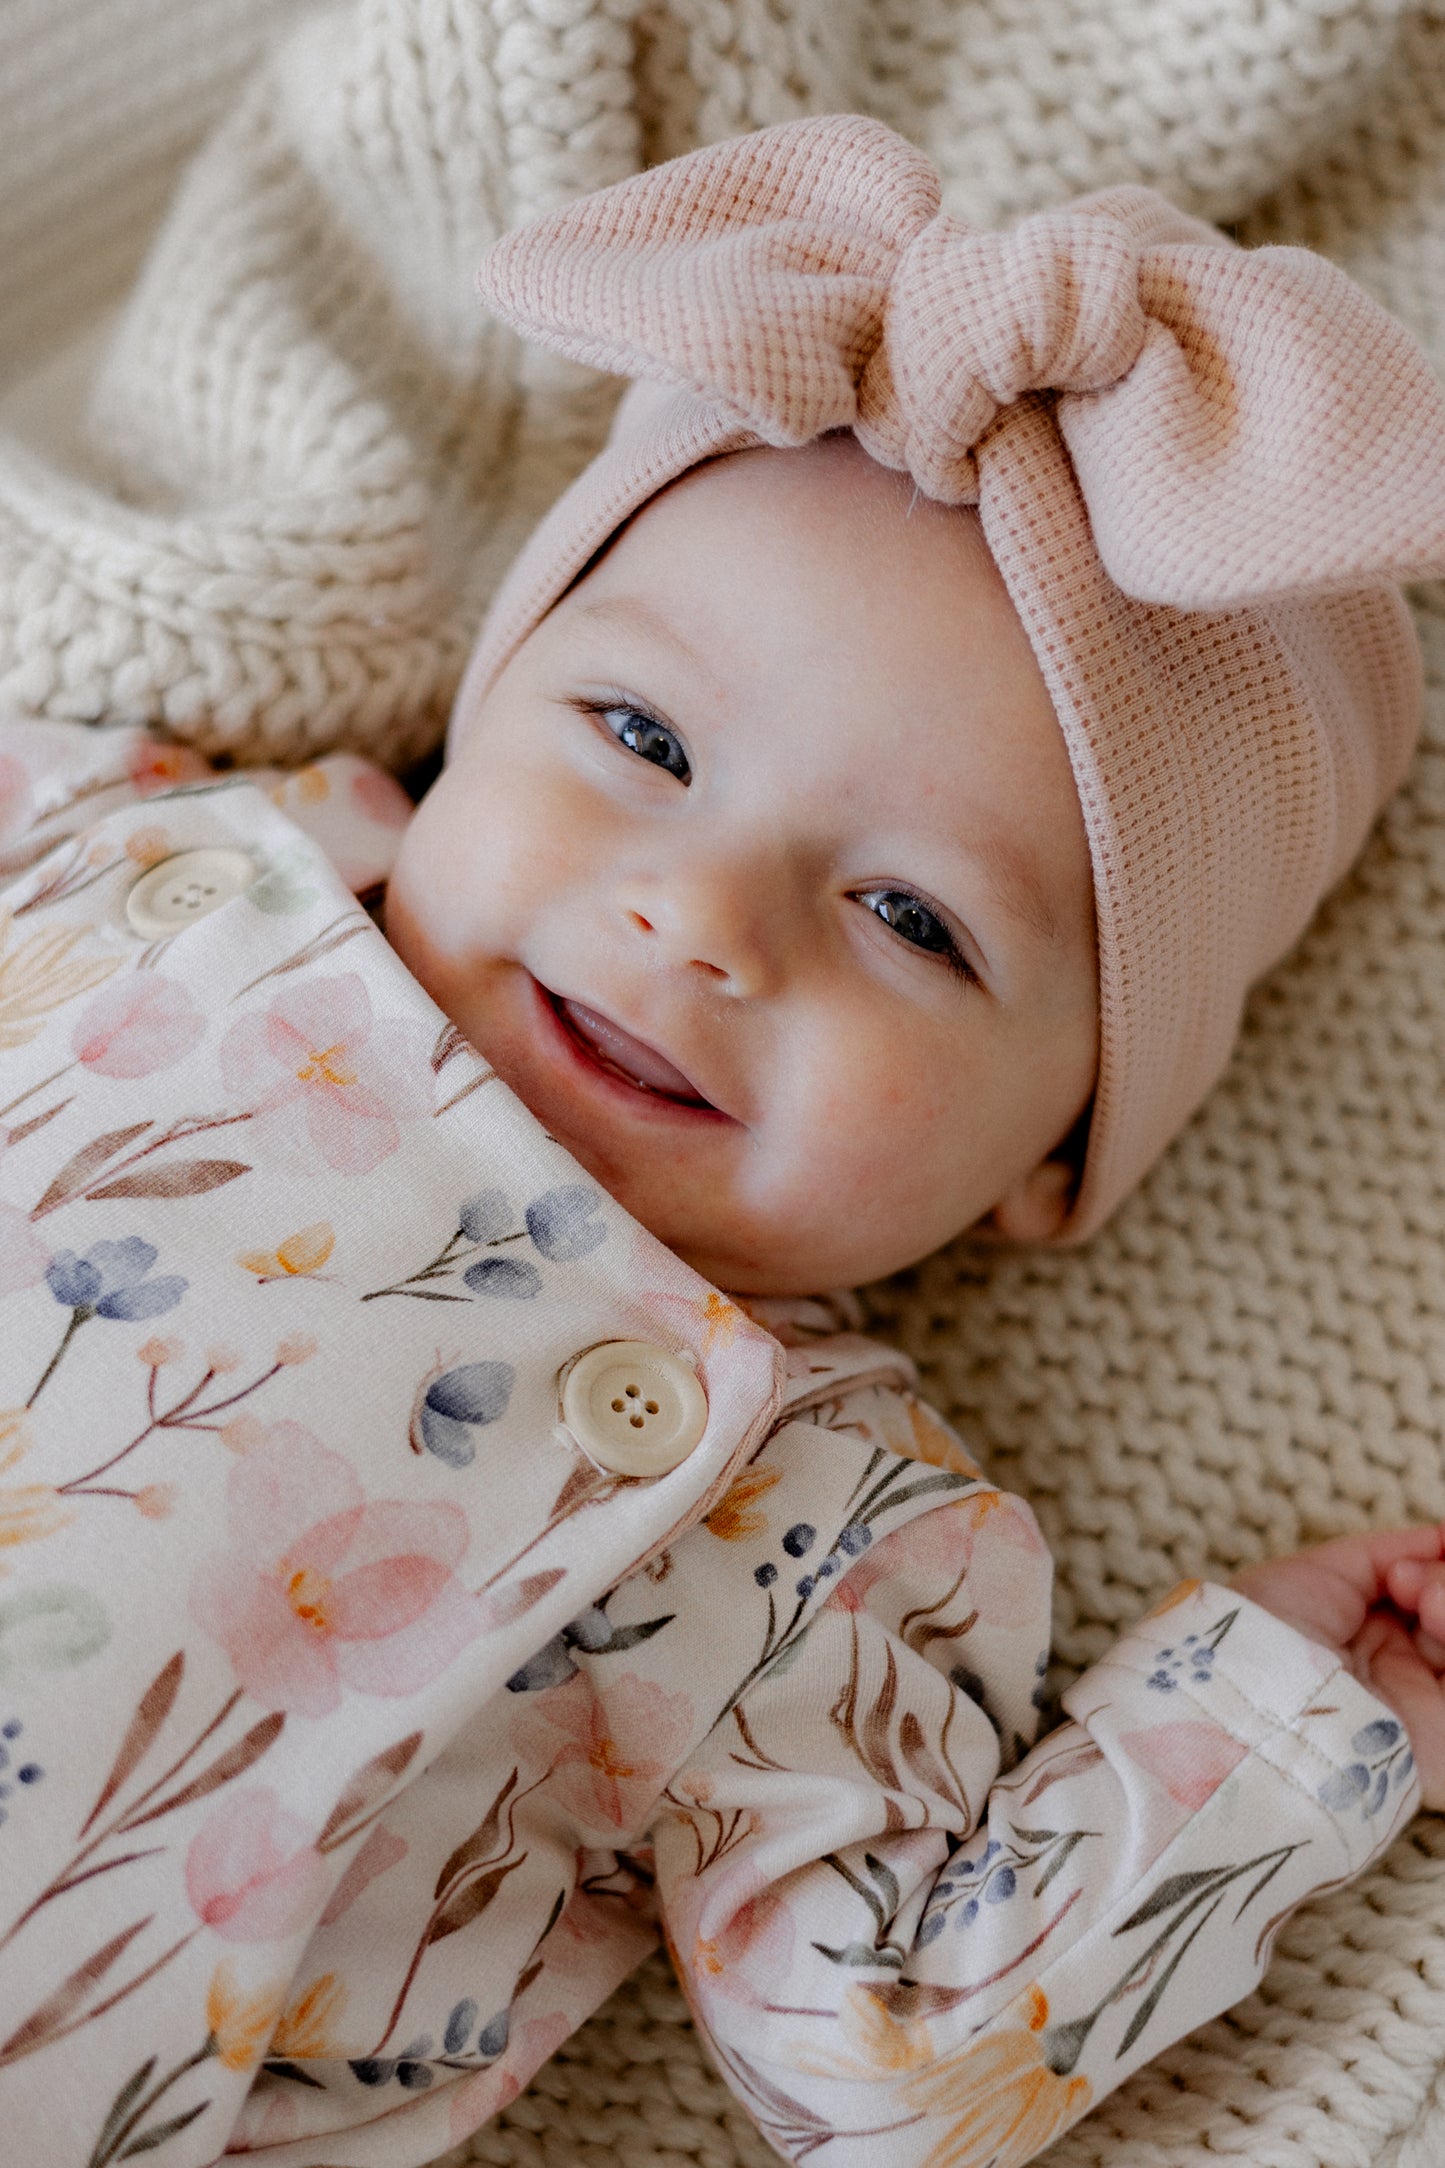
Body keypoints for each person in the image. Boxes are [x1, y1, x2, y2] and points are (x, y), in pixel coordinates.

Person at [3, 111, 1445, 2168]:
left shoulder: (816, 1532)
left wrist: (1290, 1726)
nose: (703, 918)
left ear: (1058, 1155)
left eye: (915, 919)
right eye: (645, 741)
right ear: (476, 715)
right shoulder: (142, 836)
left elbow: (886, 2062)